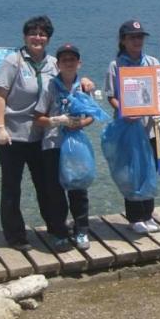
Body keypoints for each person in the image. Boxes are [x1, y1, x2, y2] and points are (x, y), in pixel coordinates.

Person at [0, 16, 92, 251]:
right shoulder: (13, 61)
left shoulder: (52, 63)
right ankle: (16, 237)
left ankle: (55, 228)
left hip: (43, 136)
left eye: (43, 34)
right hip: (13, 135)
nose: (38, 37)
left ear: (48, 38)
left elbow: (67, 82)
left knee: (47, 186)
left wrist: (85, 81)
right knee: (11, 187)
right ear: (25, 36)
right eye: (33, 33)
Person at [34, 44, 94, 251]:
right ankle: (59, 231)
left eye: (73, 59)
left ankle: (82, 231)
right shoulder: (50, 86)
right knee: (55, 191)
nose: (69, 63)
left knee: (79, 189)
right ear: (57, 64)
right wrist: (56, 120)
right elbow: (38, 118)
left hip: (77, 145)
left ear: (79, 63)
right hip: (52, 145)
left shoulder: (84, 87)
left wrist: (79, 124)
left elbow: (91, 116)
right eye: (64, 60)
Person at [104, 19, 160, 234]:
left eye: (140, 37)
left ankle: (148, 214)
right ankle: (134, 217)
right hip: (127, 128)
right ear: (123, 40)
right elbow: (111, 96)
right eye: (132, 37)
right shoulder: (115, 65)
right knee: (131, 171)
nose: (137, 41)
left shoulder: (152, 61)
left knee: (150, 169)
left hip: (150, 126)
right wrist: (125, 111)